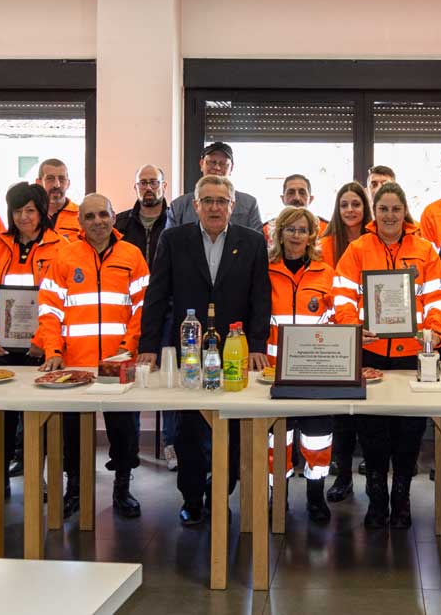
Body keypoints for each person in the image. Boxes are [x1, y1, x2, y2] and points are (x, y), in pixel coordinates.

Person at [138, 175, 271, 525]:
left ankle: (220, 490)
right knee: (189, 431)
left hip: (235, 350)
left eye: (221, 201)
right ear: (195, 205)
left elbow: (261, 298)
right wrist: (148, 346)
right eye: (207, 201)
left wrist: (258, 344)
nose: (214, 207)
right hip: (190, 350)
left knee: (233, 428)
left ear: (232, 206)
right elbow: (156, 295)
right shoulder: (173, 240)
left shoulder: (252, 242)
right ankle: (192, 497)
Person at [333, 182, 441, 529]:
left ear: (404, 211)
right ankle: (376, 499)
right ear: (375, 212)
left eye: (395, 209)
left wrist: (434, 332)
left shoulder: (425, 250)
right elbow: (341, 296)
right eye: (383, 209)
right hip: (370, 353)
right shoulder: (357, 249)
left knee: (409, 432)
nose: (389, 215)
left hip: (412, 355)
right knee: (372, 432)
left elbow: (439, 297)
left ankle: (401, 499)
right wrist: (353, 327)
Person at [38, 193, 149, 519]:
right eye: (90, 216)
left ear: (114, 217)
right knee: (73, 432)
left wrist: (128, 347)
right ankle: (75, 489)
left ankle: (122, 488)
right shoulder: (64, 255)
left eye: (103, 214)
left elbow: (143, 307)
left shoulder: (132, 254)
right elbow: (49, 309)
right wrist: (53, 350)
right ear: (80, 222)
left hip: (119, 361)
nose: (98, 221)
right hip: (76, 362)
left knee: (124, 429)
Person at [0, 182, 66, 486]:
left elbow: (61, 303)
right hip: (1, 349)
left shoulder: (62, 247)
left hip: (41, 352)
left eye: (30, 210)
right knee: (0, 419)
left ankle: (37, 481)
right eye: (17, 210)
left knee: (39, 419)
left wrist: (44, 343)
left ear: (42, 212)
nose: (23, 217)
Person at [266, 207, 336, 522]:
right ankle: (277, 495)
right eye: (290, 229)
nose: (296, 235)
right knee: (277, 439)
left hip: (315, 371)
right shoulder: (265, 271)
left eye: (303, 230)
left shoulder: (326, 273)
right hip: (274, 372)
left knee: (317, 437)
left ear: (311, 236)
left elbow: (336, 321)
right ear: (280, 234)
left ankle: (315, 495)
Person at [113, 165, 175, 469]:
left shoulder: (176, 222)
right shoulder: (120, 223)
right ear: (135, 187)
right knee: (131, 378)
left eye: (154, 182)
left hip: (171, 309)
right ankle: (129, 450)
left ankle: (171, 444)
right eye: (143, 183)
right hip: (131, 312)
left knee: (172, 377)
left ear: (164, 185)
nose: (148, 188)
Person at [317, 182, 373, 503]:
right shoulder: (324, 245)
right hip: (335, 336)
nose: (350, 210)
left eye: (356, 204)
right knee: (341, 413)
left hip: (370, 336)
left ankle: (371, 470)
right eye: (344, 205)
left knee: (368, 410)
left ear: (365, 208)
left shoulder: (375, 242)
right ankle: (343, 476)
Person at [166, 142, 262, 231]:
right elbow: (169, 241)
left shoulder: (249, 205)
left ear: (231, 168)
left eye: (223, 164)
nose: (217, 168)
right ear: (201, 164)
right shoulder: (179, 206)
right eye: (212, 162)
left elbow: (256, 241)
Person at [263, 174, 328, 243]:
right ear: (283, 198)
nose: (297, 198)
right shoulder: (267, 229)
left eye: (302, 193)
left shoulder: (325, 229)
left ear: (311, 199)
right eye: (291, 193)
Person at [37, 158, 81, 239]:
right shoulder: (31, 216)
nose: (57, 185)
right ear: (39, 183)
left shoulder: (82, 215)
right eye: (50, 179)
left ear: (68, 183)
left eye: (62, 179)